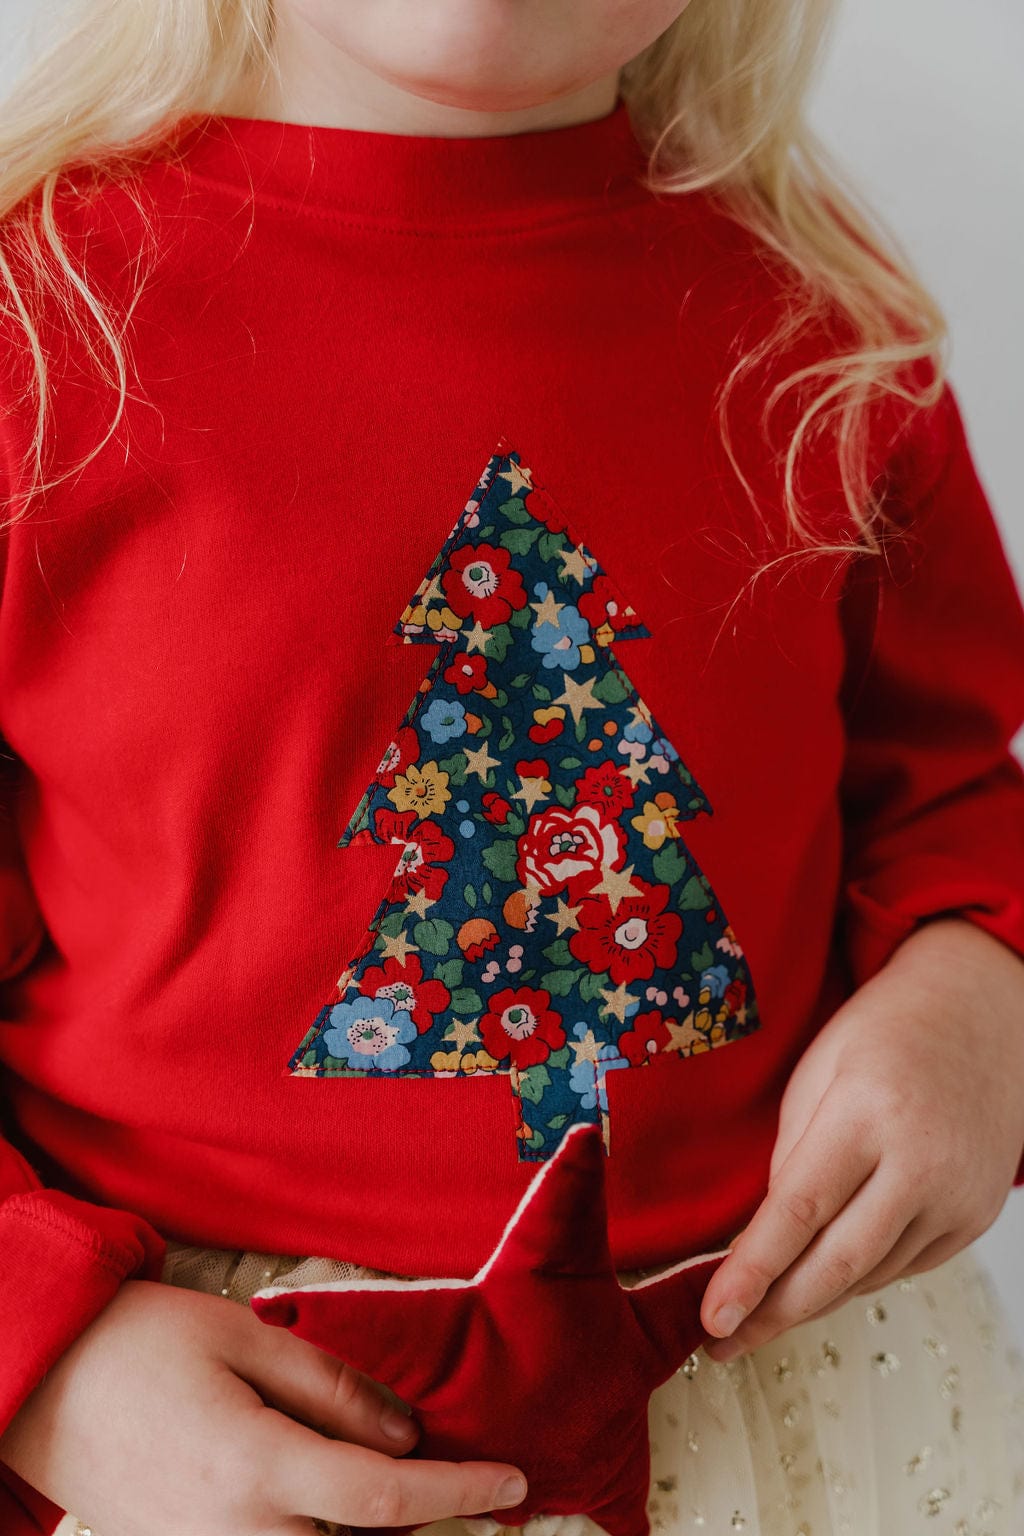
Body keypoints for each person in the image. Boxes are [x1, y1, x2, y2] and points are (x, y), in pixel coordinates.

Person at [0, 1, 1023, 1533]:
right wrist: (48, 1360)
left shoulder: (823, 330)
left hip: (788, 1380)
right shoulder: (43, 323)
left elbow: (945, 791)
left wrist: (977, 995)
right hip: (202, 1417)